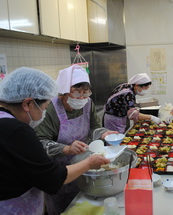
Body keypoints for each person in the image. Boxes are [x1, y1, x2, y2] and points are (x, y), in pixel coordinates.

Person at [0, 67, 110, 215]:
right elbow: (51, 178)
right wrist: (88, 162)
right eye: (44, 107)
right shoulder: (17, 131)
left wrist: (104, 134)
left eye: (85, 93)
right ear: (28, 104)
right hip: (13, 206)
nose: (43, 113)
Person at [35, 65, 118, 215]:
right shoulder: (51, 109)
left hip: (86, 166)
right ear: (63, 92)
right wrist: (65, 149)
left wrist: (104, 134)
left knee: (88, 204)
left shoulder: (88, 104)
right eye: (76, 93)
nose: (82, 99)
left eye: (85, 93)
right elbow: (39, 143)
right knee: (65, 209)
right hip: (60, 172)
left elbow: (94, 127)